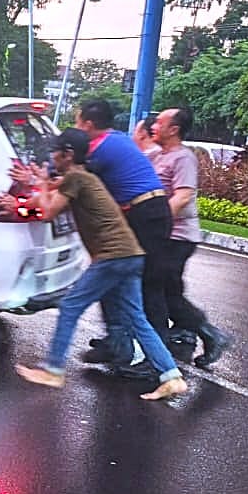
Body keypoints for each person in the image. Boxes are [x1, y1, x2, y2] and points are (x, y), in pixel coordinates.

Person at [0, 128, 188, 401]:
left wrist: (36, 186)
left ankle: (53, 369)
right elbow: (46, 206)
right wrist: (17, 206)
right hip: (130, 254)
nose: (51, 157)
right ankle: (171, 376)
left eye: (55, 152)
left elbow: (49, 211)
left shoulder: (75, 178)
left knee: (71, 305)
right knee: (137, 318)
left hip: (113, 256)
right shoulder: (83, 179)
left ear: (68, 154)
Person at [71, 99, 176, 374]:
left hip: (148, 214)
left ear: (88, 125)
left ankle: (156, 363)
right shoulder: (115, 139)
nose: (75, 127)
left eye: (77, 122)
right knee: (111, 275)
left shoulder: (101, 148)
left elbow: (67, 170)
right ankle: (117, 343)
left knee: (148, 287)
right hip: (144, 213)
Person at [152, 107, 233, 367]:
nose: (154, 125)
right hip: (162, 236)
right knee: (164, 291)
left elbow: (183, 194)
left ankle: (210, 334)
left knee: (161, 293)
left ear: (174, 129)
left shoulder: (183, 158)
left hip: (176, 237)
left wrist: (160, 223)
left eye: (159, 122)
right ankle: (180, 338)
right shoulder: (157, 155)